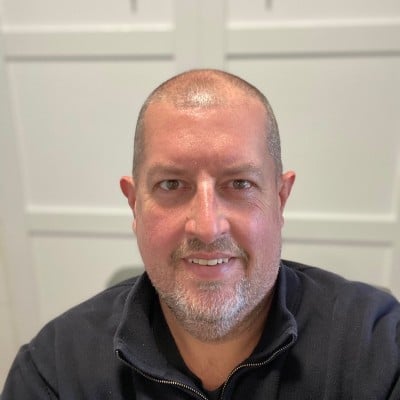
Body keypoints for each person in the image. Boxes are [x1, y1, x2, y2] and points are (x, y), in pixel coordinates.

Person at [2, 69, 400, 399]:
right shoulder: (54, 372)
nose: (208, 228)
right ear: (134, 205)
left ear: (280, 199)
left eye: (240, 184)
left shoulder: (381, 350)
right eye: (172, 184)